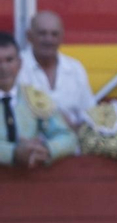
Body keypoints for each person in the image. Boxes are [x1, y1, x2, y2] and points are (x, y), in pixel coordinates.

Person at [0, 32, 78, 170]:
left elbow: (68, 137)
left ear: (19, 64)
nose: (3, 68)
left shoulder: (35, 97)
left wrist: (46, 149)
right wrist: (12, 153)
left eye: (9, 60)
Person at [19, 12, 95, 128]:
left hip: (72, 140)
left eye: (54, 34)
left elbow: (89, 113)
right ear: (29, 36)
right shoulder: (15, 66)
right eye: (42, 33)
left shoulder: (75, 68)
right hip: (27, 142)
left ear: (61, 37)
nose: (48, 39)